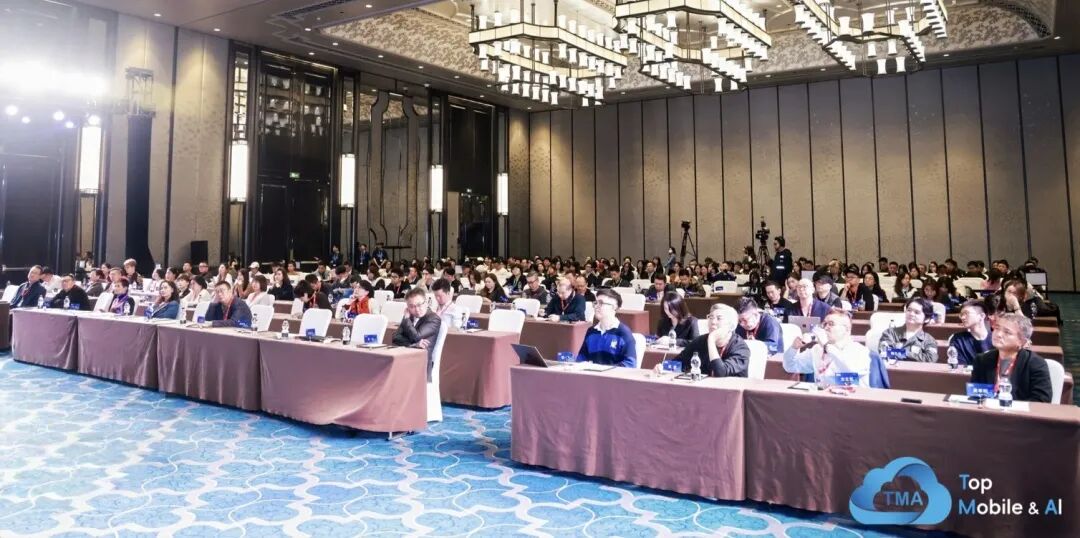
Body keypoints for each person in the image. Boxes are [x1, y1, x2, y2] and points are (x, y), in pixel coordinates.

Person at [970, 313, 1052, 403]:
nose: (998, 334)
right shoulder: (982, 360)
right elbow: (975, 395)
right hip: (987, 411)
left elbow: (1042, 400)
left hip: (1020, 412)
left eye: (1007, 332)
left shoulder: (1036, 364)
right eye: (997, 328)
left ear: (1022, 341)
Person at [782, 309, 871, 387]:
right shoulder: (817, 349)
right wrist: (793, 348)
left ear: (847, 329)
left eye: (831, 324)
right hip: (823, 399)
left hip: (851, 398)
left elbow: (851, 376)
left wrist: (827, 346)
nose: (826, 327)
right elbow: (790, 366)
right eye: (824, 324)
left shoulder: (860, 351)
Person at [675, 303, 750, 377]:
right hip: (704, 385)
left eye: (719, 318)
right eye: (711, 317)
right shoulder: (700, 341)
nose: (713, 322)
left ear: (731, 326)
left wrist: (711, 339)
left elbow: (720, 373)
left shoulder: (741, 348)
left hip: (730, 385)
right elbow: (677, 362)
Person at [575, 289, 636, 367]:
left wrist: (605, 370)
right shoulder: (591, 331)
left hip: (613, 374)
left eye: (601, 303)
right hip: (592, 373)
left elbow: (630, 363)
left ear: (614, 307)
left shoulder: (623, 332)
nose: (596, 306)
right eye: (596, 303)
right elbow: (581, 358)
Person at [392, 288, 443, 380]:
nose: (417, 309)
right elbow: (396, 338)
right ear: (407, 308)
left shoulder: (434, 319)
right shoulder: (409, 317)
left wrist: (406, 320)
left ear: (426, 303)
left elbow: (416, 337)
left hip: (421, 364)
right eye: (412, 306)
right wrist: (414, 345)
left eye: (419, 305)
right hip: (405, 359)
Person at [878, 298, 939, 363]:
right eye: (909, 310)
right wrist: (915, 355)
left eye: (917, 312)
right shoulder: (890, 333)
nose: (911, 314)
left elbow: (930, 359)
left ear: (927, 319)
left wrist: (903, 353)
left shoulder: (929, 340)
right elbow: (885, 352)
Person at [948, 300, 993, 366]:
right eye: (961, 315)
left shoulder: (995, 338)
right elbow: (960, 366)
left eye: (966, 313)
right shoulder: (958, 339)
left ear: (981, 316)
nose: (963, 317)